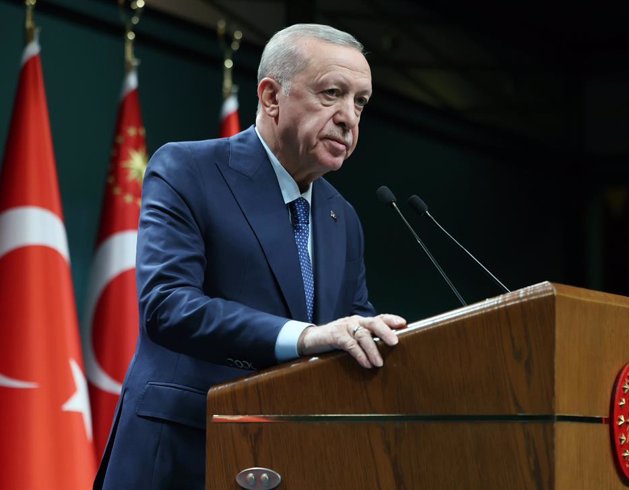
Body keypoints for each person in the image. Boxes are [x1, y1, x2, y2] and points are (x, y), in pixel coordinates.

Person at [94, 23, 407, 489]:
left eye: (359, 102)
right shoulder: (187, 169)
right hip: (184, 453)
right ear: (270, 96)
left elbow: (350, 328)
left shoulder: (343, 217)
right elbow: (168, 306)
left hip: (287, 460)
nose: (348, 117)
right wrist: (306, 337)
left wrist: (377, 338)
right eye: (331, 94)